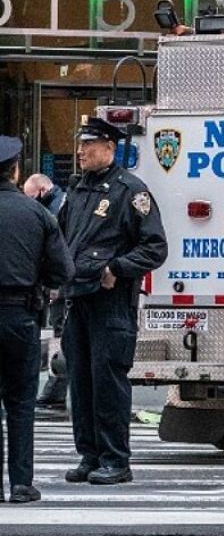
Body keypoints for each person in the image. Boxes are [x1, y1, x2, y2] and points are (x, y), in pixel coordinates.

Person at [58, 118, 167, 486]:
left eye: (88, 144)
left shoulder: (129, 191)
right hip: (77, 298)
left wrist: (117, 268)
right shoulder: (77, 189)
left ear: (109, 147)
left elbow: (155, 247)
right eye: (80, 144)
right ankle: (89, 455)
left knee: (108, 381)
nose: (80, 151)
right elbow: (62, 238)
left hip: (111, 301)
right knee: (81, 381)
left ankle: (115, 459)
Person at [0, 138, 73, 503]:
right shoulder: (38, 214)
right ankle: (21, 483)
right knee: (21, 403)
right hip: (20, 315)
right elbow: (63, 271)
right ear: (15, 172)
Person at [23, 173, 68, 410]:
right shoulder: (61, 203)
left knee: (61, 336)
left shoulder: (54, 211)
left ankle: (55, 390)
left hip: (61, 286)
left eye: (31, 197)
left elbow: (56, 251)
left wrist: (55, 285)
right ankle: (55, 389)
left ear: (42, 190)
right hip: (64, 283)